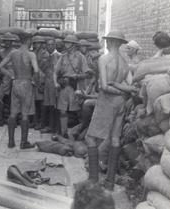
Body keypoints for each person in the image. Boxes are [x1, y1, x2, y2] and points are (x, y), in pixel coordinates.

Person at [85, 29, 133, 191]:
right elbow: (132, 88)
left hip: (107, 101)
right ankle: (110, 181)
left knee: (91, 139)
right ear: (120, 44)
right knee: (115, 138)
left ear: (111, 42)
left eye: (107, 40)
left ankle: (93, 180)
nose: (106, 43)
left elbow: (104, 86)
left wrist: (117, 90)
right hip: (120, 103)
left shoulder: (104, 59)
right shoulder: (125, 63)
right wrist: (122, 91)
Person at [0, 32, 40, 149]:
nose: (32, 43)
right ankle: (24, 142)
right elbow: (36, 70)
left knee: (13, 112)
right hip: (26, 84)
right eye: (31, 41)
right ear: (27, 41)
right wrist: (35, 82)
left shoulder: (13, 53)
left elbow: (0, 66)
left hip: (16, 83)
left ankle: (11, 141)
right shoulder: (31, 55)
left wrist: (11, 76)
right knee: (25, 114)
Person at [53, 35, 92, 138]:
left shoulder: (81, 58)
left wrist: (76, 76)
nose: (66, 45)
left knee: (79, 111)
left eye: (68, 43)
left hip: (76, 87)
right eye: (65, 43)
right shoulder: (62, 57)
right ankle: (64, 132)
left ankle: (82, 132)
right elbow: (55, 71)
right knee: (62, 111)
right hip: (64, 87)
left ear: (74, 45)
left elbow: (88, 74)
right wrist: (55, 83)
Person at [0, 32, 16, 127]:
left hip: (14, 75)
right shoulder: (0, 52)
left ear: (12, 42)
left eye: (9, 41)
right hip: (5, 75)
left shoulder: (15, 51)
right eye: (5, 41)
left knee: (14, 98)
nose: (7, 42)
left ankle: (13, 120)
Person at [40, 38, 62, 134]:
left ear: (55, 45)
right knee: (48, 105)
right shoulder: (45, 56)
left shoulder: (59, 56)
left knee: (56, 106)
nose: (50, 46)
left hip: (55, 83)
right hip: (47, 83)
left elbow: (61, 71)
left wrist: (57, 83)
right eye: (48, 45)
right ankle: (50, 126)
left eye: (52, 44)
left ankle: (57, 128)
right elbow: (42, 68)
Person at [31, 36, 49, 130]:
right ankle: (36, 121)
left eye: (39, 43)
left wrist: (41, 81)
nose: (37, 45)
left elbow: (44, 68)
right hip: (34, 78)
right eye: (35, 43)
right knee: (34, 102)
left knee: (42, 102)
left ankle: (42, 123)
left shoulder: (45, 54)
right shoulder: (33, 53)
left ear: (42, 44)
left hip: (42, 79)